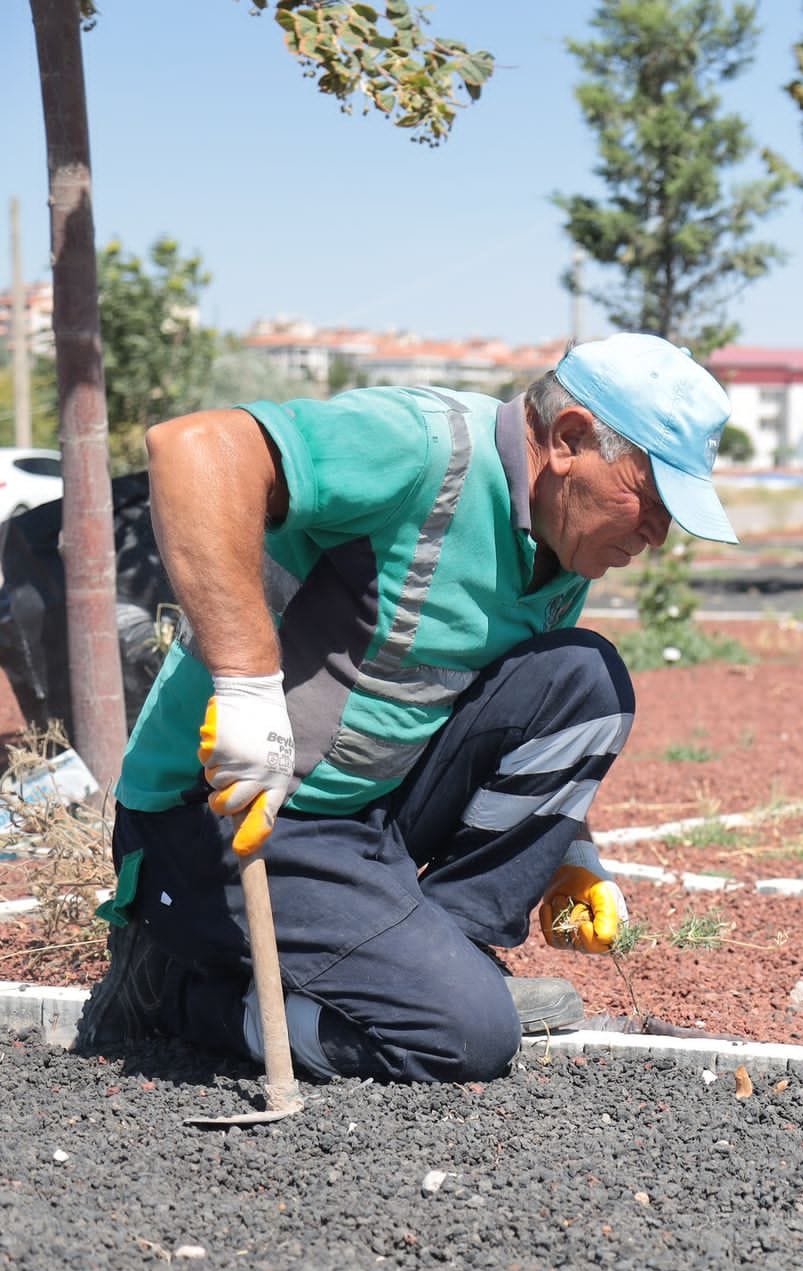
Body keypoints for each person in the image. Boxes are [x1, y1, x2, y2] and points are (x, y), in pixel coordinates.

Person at [75, 333, 737, 1083]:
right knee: (465, 1039)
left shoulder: (557, 537)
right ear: (569, 438)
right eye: (649, 502)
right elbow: (192, 449)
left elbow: (515, 705)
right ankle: (180, 997)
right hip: (226, 815)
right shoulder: (422, 448)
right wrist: (247, 683)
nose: (657, 536)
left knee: (586, 677)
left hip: (363, 816)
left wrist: (570, 855)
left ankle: (439, 961)